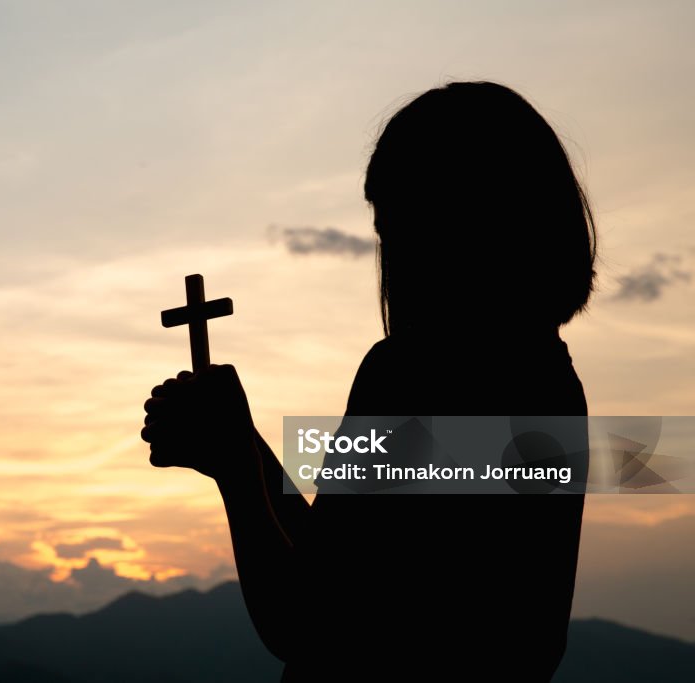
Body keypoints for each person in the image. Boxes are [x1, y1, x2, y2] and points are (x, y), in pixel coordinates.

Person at [141, 81, 597, 682]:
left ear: (466, 227)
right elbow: (336, 564)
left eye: (400, 229)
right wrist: (245, 446)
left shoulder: (414, 377)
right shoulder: (547, 383)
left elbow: (311, 627)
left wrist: (234, 468)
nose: (392, 260)